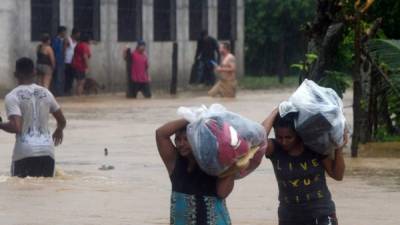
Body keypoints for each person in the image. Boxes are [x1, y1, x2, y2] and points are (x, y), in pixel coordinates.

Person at [261, 108, 347, 225]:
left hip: (322, 213)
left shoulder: (314, 146)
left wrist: (338, 149)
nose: (284, 142)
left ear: (298, 134)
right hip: (289, 217)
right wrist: (276, 111)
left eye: (288, 137)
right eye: (279, 137)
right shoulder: (275, 149)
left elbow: (337, 175)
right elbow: (257, 139)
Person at [156, 119, 234, 225]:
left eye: (186, 139)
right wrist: (191, 117)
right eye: (178, 139)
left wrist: (233, 166)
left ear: (197, 140)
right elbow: (160, 133)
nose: (181, 144)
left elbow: (222, 193)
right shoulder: (175, 162)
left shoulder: (214, 163)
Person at [0, 57, 66, 178]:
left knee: (22, 193)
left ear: (15, 74)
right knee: (45, 193)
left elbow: (16, 126)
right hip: (47, 152)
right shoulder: (46, 93)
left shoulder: (12, 96)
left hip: (25, 152)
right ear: (34, 72)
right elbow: (62, 120)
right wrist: (59, 130)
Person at [51, 26, 67, 96]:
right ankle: (58, 93)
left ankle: (60, 92)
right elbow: (54, 50)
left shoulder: (62, 41)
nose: (65, 33)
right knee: (58, 78)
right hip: (57, 61)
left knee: (60, 77)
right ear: (61, 32)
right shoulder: (56, 40)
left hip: (61, 61)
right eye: (64, 32)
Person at [64, 28, 80, 95]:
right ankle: (66, 91)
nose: (78, 36)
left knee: (72, 78)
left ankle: (69, 91)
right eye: (78, 34)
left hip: (73, 62)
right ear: (74, 34)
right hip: (67, 61)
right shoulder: (68, 40)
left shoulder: (76, 42)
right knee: (67, 77)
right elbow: (64, 49)